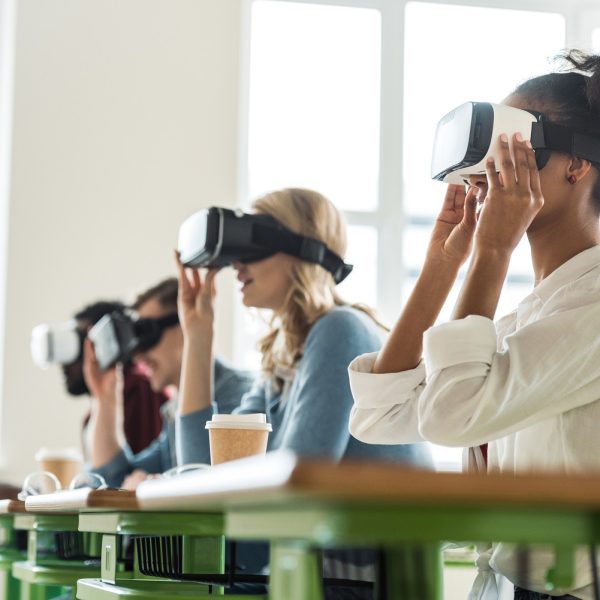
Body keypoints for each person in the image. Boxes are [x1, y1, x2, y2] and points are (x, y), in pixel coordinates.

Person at [348, 50, 600, 600]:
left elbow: (452, 415)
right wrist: (442, 266)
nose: (489, 173)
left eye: (511, 151)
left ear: (576, 165)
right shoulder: (528, 316)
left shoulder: (593, 313)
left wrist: (492, 252)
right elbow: (380, 415)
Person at [176, 188, 432, 598]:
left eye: (253, 241)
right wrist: (198, 335)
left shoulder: (341, 329)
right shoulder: (283, 365)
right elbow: (200, 475)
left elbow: (298, 479)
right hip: (316, 570)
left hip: (366, 582)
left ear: (301, 249)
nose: (237, 263)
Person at [87, 277, 255, 489]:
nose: (138, 356)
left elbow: (205, 486)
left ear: (186, 323)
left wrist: (156, 487)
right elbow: (112, 482)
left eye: (147, 334)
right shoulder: (175, 411)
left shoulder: (241, 396)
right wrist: (105, 398)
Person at [64, 300, 167, 458]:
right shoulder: (93, 411)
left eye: (81, 344)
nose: (65, 364)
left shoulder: (141, 388)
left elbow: (139, 474)